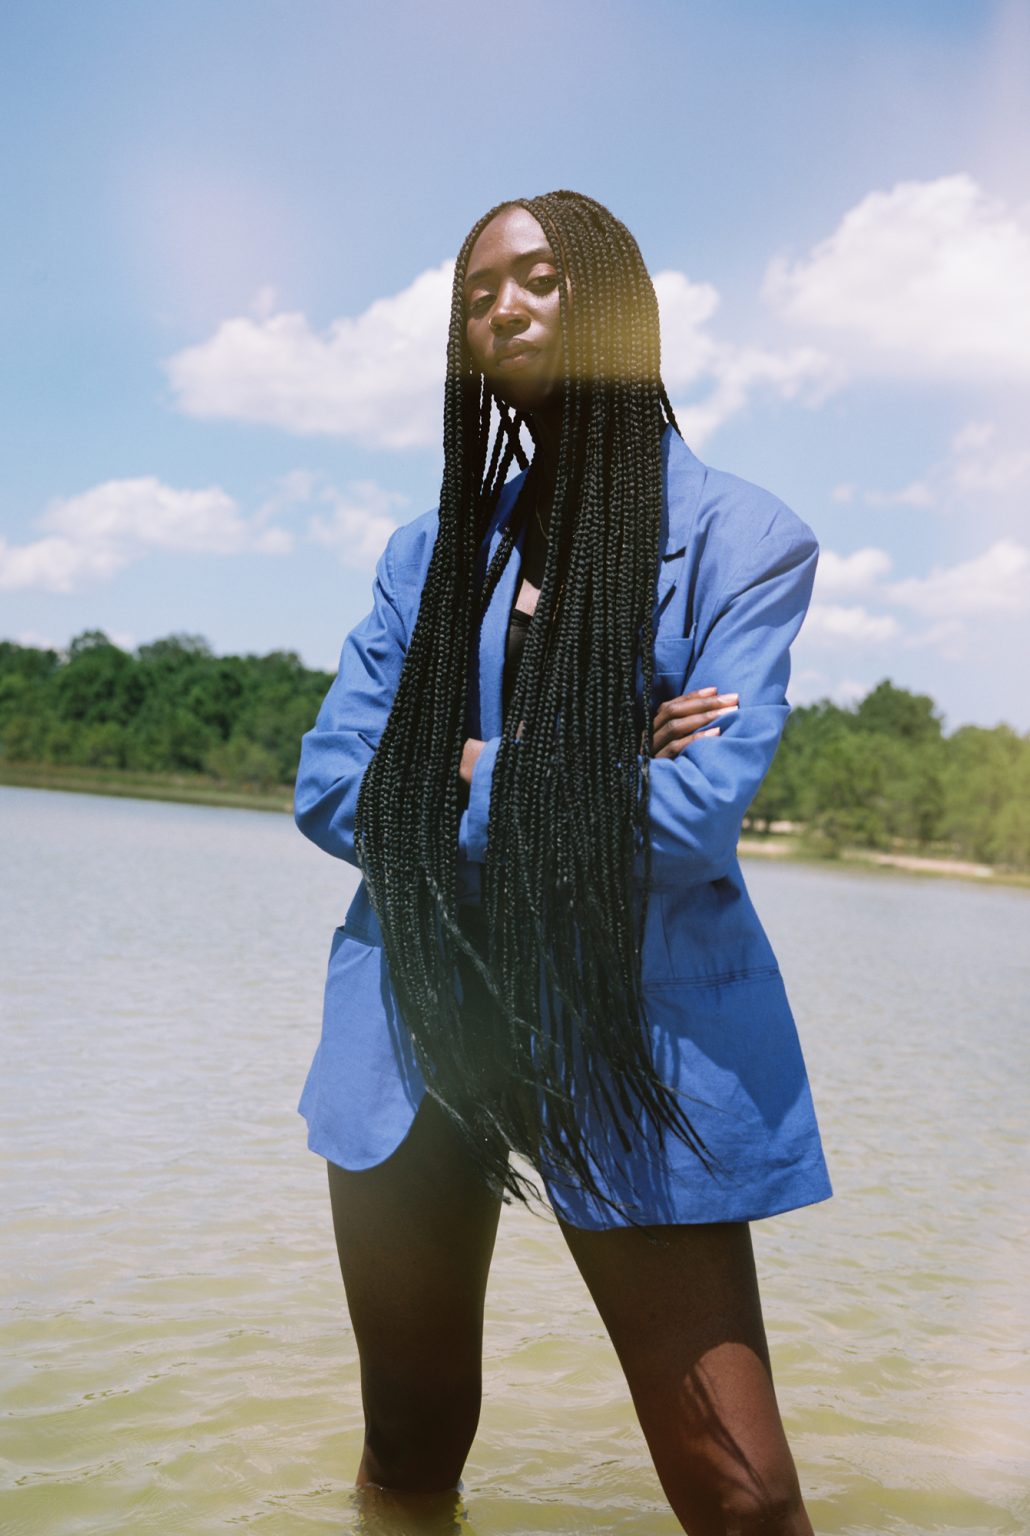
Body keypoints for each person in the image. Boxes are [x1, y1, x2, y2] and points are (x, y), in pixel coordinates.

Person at [294, 190, 832, 1535]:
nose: (504, 309)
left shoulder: (743, 540)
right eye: (477, 296)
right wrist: (587, 764)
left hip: (628, 1032)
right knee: (409, 1450)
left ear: (613, 305)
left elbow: (691, 819)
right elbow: (330, 789)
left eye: (538, 279)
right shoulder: (428, 555)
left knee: (743, 1494)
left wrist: (459, 767)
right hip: (417, 1022)